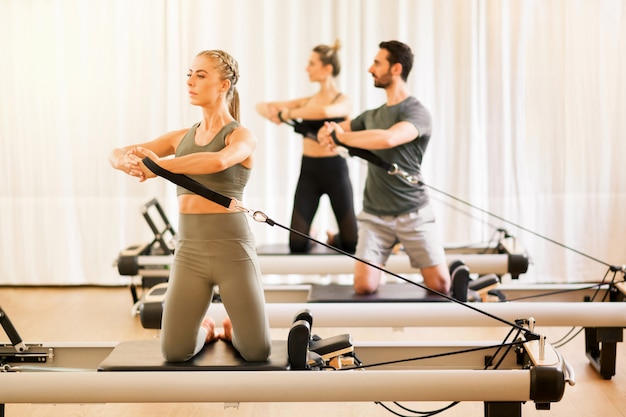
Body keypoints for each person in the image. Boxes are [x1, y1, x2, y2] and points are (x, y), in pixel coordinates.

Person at [108, 49, 271, 363]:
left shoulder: (240, 135)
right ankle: (209, 331)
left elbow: (217, 161)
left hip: (233, 249)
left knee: (256, 351)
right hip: (188, 251)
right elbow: (119, 151)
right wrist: (121, 160)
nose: (190, 82)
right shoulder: (181, 137)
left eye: (200, 75)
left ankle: (230, 329)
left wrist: (160, 166)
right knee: (174, 351)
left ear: (224, 85)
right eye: (189, 74)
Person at [318, 41, 451, 296]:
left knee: (441, 286)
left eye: (377, 63)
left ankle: (452, 268)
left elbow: (389, 138)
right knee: (364, 286)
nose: (370, 68)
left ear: (396, 68)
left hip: (412, 212)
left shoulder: (417, 112)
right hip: (375, 215)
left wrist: (340, 138)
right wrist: (329, 131)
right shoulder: (371, 115)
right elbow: (339, 127)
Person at [256, 40, 358, 254]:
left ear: (327, 68)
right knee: (297, 245)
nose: (306, 68)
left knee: (351, 244)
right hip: (309, 172)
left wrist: (288, 113)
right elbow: (261, 107)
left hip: (336, 171)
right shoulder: (307, 101)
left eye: (312, 63)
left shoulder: (343, 101)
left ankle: (332, 236)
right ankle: (311, 235)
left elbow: (324, 113)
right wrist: (277, 113)